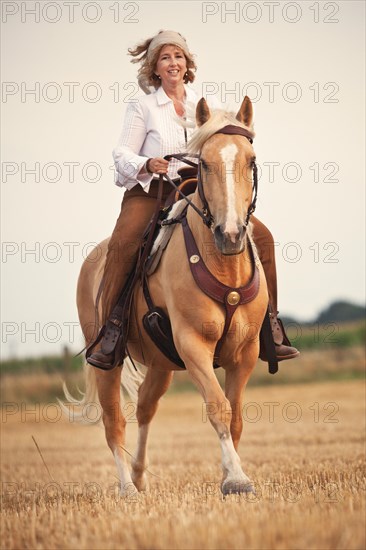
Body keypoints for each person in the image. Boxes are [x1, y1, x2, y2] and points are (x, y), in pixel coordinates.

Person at [87, 30, 299, 370]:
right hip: (152, 191)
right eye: (165, 58)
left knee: (263, 237)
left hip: (198, 188)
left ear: (188, 65)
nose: (173, 63)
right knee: (125, 243)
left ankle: (270, 326)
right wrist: (146, 163)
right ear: (155, 69)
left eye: (179, 57)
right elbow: (121, 152)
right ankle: (111, 330)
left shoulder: (206, 104)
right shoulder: (143, 106)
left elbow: (227, 143)